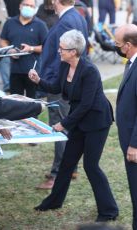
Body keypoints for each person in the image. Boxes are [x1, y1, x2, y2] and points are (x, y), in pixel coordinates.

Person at [29, 29, 119, 221]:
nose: (58, 51)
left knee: (91, 166)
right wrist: (39, 81)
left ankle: (109, 211)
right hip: (79, 120)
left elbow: (86, 104)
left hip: (96, 121)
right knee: (67, 162)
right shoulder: (64, 65)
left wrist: (63, 123)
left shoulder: (89, 71)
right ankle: (54, 201)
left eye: (62, 49)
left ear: (74, 51)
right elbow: (56, 87)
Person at [35, 0, 88, 189]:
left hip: (61, 84)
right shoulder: (76, 16)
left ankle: (59, 174)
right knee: (67, 125)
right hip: (66, 82)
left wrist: (55, 84)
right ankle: (70, 168)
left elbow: (66, 57)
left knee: (60, 127)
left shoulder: (67, 20)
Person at [0, 0, 48, 99]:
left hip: (33, 72)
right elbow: (3, 40)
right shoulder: (10, 22)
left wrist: (31, 48)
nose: (28, 7)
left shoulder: (40, 25)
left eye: (31, 6)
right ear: (20, 6)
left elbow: (46, 47)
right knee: (15, 103)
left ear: (35, 9)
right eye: (26, 5)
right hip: (15, 70)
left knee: (32, 103)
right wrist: (9, 51)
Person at [115, 24, 137, 230]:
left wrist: (134, 144)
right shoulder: (131, 63)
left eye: (118, 44)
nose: (116, 47)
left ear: (129, 45)